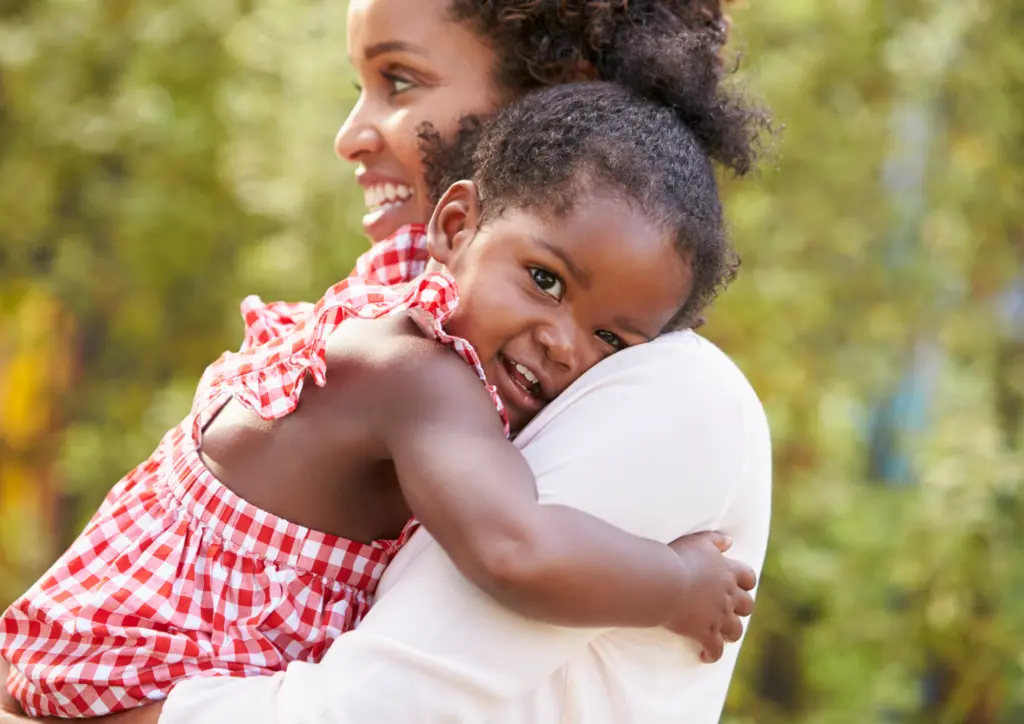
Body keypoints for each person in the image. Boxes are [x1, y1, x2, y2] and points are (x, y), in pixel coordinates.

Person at [0, 0, 772, 722]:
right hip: (138, 667)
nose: (565, 342)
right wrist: (675, 584)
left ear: (558, 79)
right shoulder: (418, 359)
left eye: (399, 80)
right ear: (457, 223)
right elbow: (515, 546)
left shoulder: (663, 390)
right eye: (544, 281)